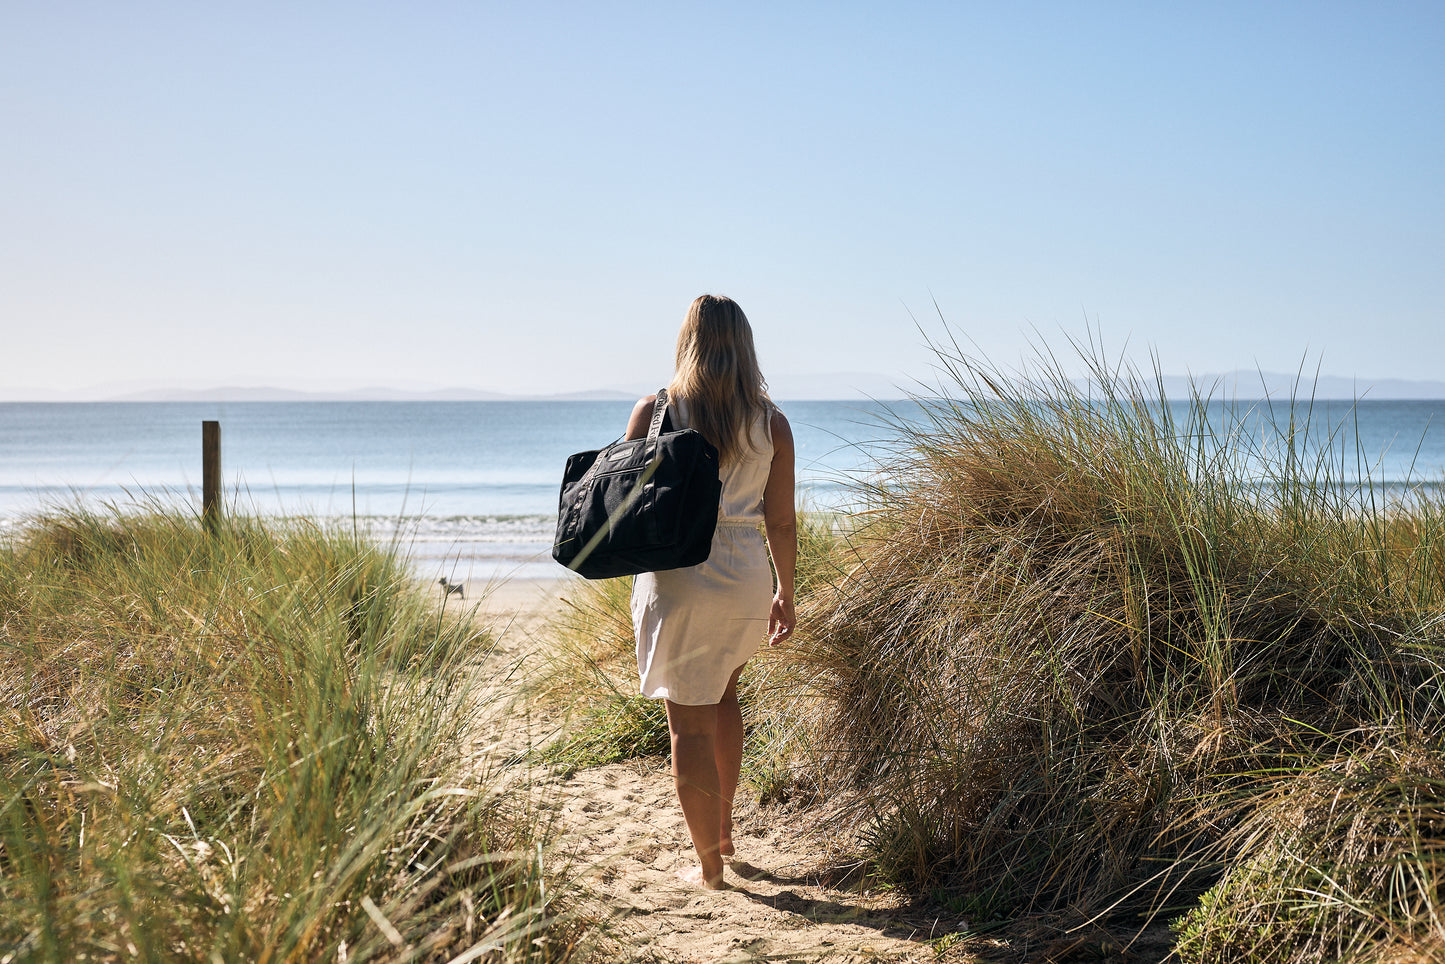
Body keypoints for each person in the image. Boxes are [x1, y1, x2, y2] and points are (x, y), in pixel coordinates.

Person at [625, 294, 797, 890]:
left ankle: (708, 866)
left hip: (679, 576)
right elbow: (780, 521)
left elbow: (626, 506)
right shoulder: (771, 421)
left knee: (687, 726)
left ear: (687, 342)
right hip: (746, 574)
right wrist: (785, 592)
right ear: (744, 345)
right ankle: (723, 834)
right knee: (725, 696)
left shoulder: (656, 411)